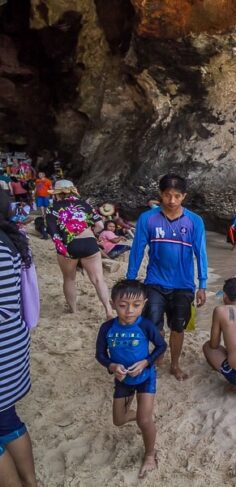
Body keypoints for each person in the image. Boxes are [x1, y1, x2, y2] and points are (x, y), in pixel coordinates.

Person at [127, 174, 208, 381]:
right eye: (167, 195)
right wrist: (130, 279)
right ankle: (158, 353)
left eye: (177, 196)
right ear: (160, 195)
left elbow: (201, 253)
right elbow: (137, 249)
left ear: (184, 196)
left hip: (184, 285)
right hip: (155, 282)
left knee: (178, 326)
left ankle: (175, 365)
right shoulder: (148, 218)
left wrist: (203, 284)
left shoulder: (195, 221)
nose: (172, 201)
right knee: (153, 323)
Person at [95, 280, 166, 479]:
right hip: (122, 379)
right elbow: (100, 354)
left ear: (143, 304)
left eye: (136, 305)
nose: (129, 311)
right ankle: (145, 416)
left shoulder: (145, 325)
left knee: (144, 421)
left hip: (145, 377)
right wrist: (111, 366)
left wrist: (146, 362)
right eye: (123, 305)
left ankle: (150, 454)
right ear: (113, 303)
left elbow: (161, 346)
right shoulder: (107, 327)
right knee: (118, 420)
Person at [0, 193, 38, 487]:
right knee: (6, 419)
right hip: (11, 348)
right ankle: (29, 481)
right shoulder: (8, 241)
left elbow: (5, 306)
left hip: (3, 352)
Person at [45, 179, 114, 319]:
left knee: (69, 279)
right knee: (98, 279)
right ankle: (108, 310)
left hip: (68, 245)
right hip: (89, 243)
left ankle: (73, 310)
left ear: (57, 193)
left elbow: (52, 231)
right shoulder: (84, 205)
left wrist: (62, 246)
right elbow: (100, 225)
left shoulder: (53, 207)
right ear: (73, 191)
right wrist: (91, 233)